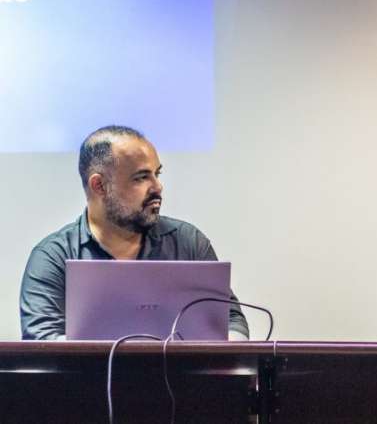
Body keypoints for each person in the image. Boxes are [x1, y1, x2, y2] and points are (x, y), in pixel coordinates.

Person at [19, 125, 249, 340]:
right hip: (90, 373)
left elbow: (230, 320)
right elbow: (42, 340)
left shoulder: (187, 242)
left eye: (157, 174)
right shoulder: (53, 257)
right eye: (141, 177)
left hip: (179, 373)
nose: (157, 187)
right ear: (99, 186)